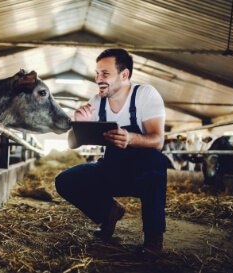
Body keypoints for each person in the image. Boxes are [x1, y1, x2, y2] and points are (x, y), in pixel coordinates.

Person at [55, 48, 167, 255]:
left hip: (142, 172)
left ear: (124, 75)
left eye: (105, 73)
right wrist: (77, 124)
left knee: (154, 160)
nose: (98, 79)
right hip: (112, 167)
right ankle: (108, 212)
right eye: (97, 73)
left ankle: (153, 238)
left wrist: (131, 138)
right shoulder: (97, 101)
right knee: (65, 180)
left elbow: (158, 140)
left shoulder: (144, 94)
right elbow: (72, 143)